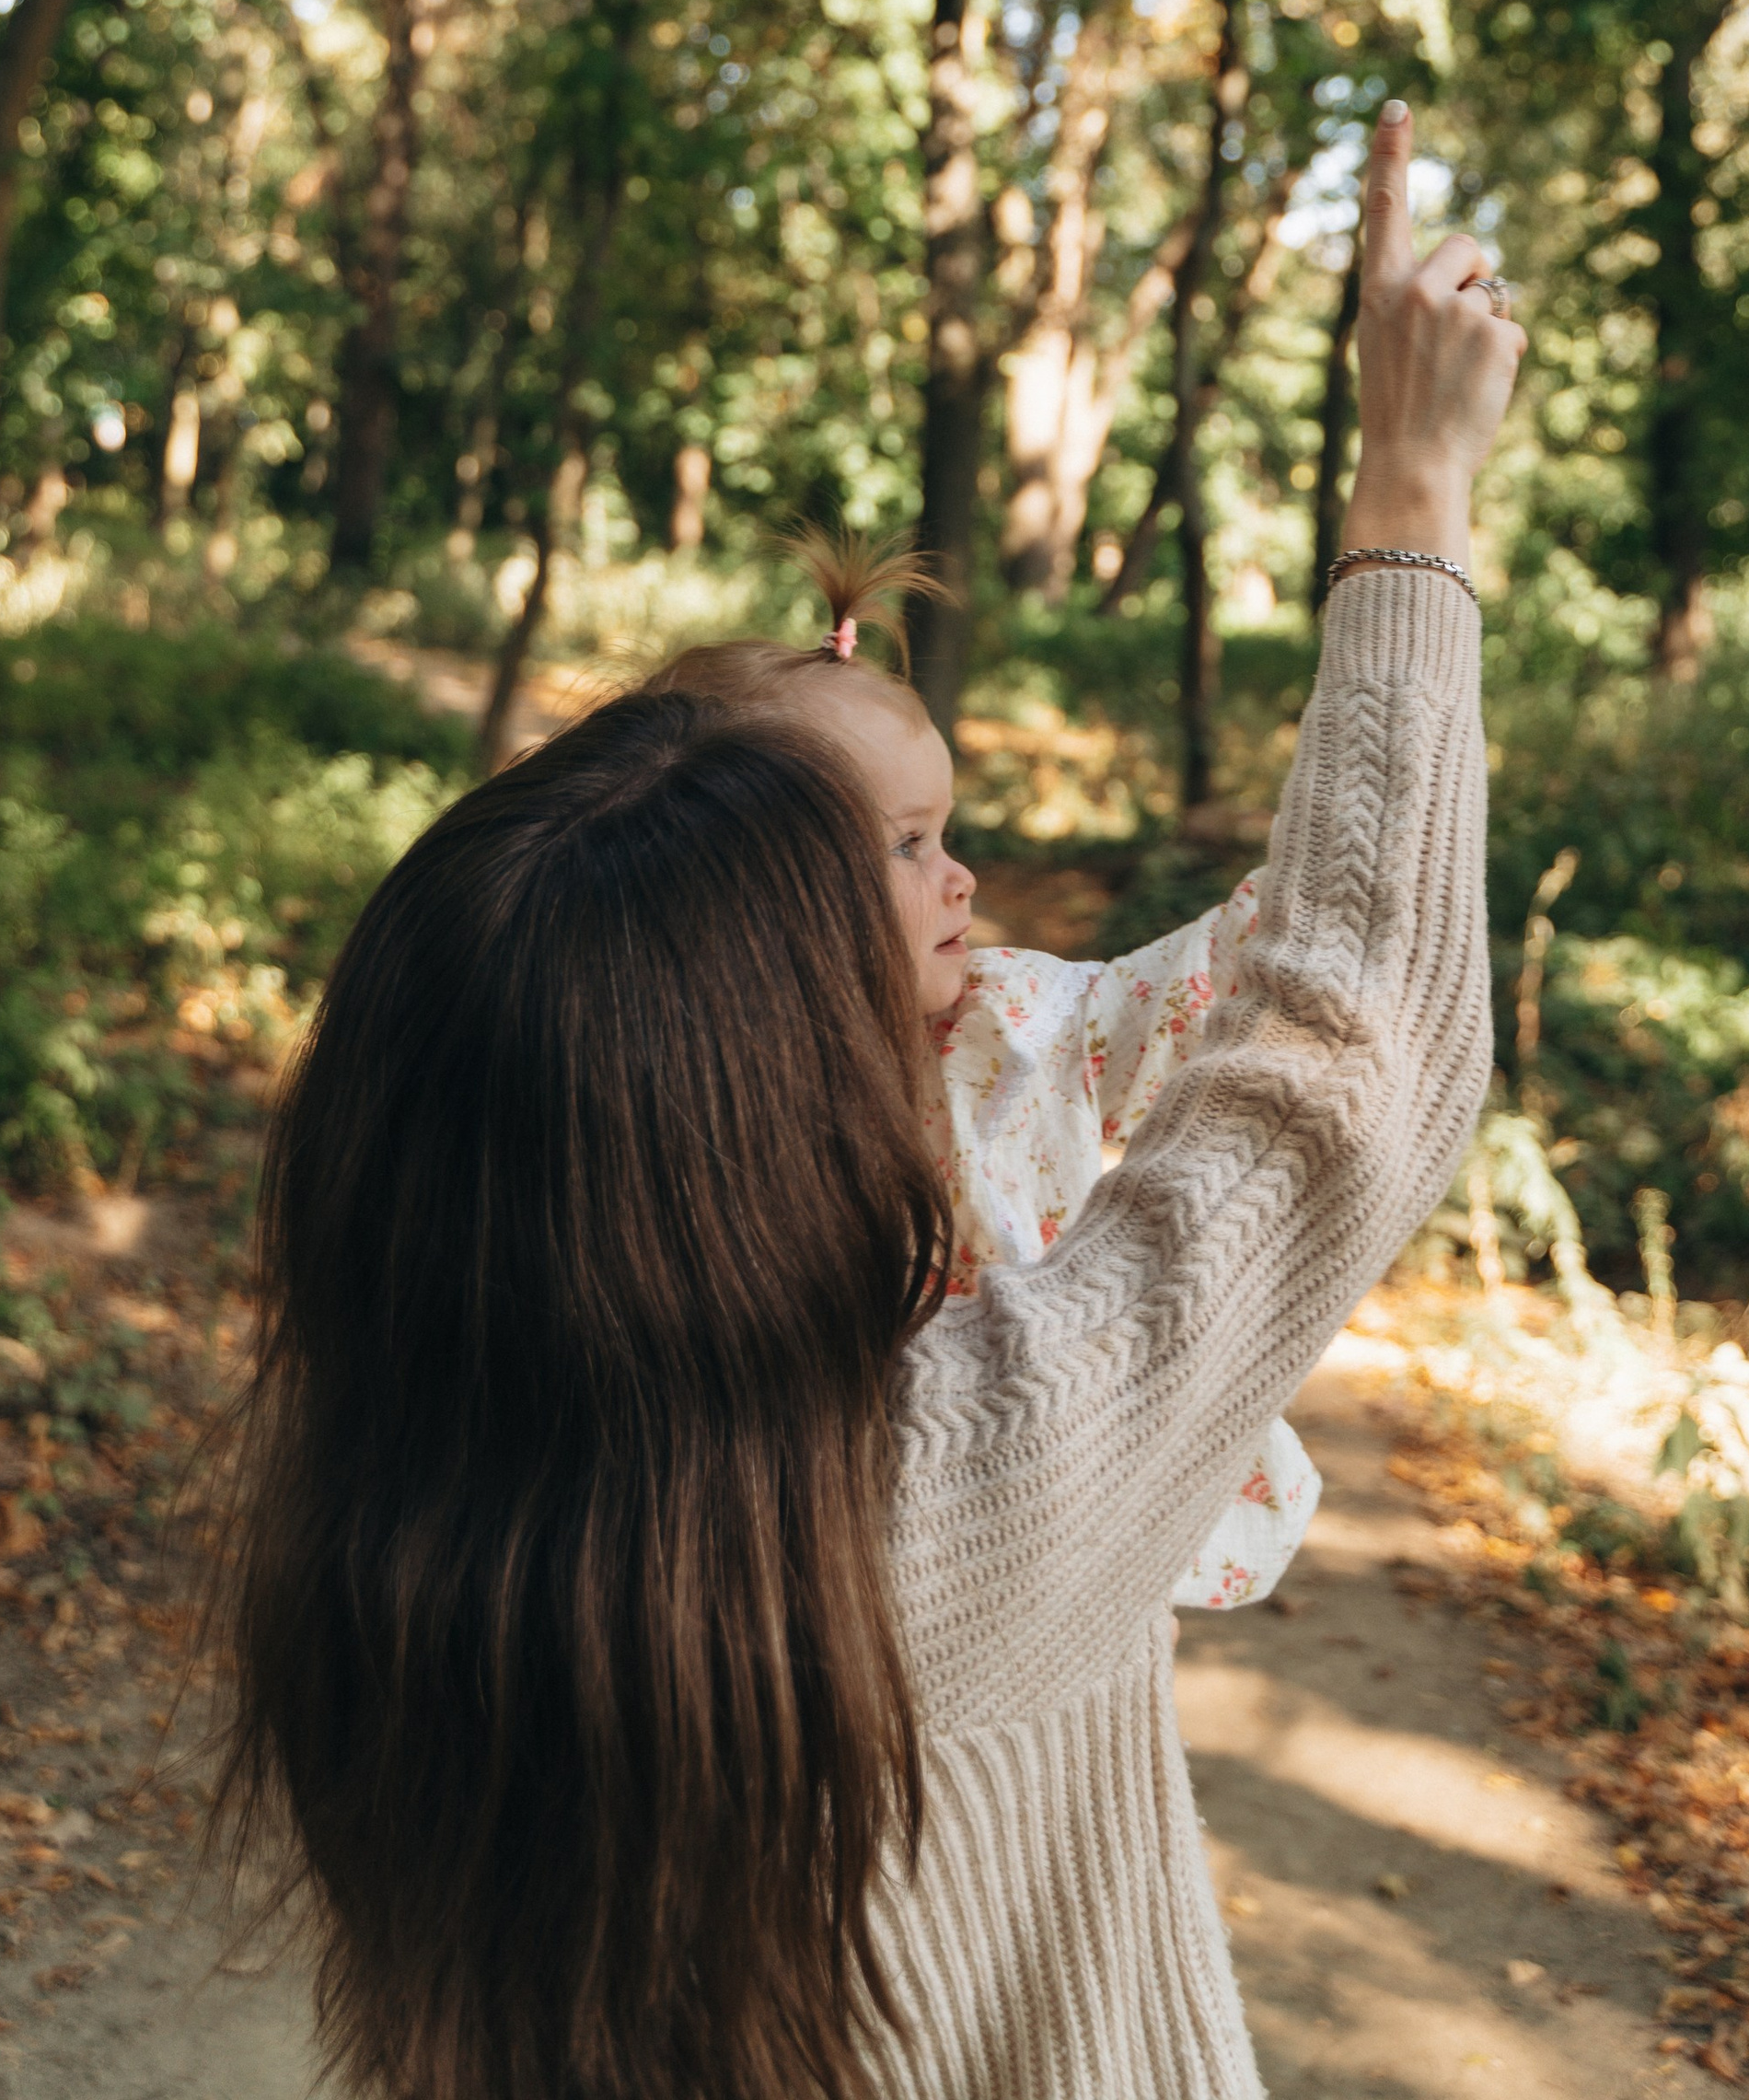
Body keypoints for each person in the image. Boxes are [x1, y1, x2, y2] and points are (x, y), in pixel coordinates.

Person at [210, 100, 1523, 2100]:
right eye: (882, 871)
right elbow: (1350, 1051)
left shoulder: (384, 1539)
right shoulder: (953, 1496)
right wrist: (1408, 487)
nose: (951, 906)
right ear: (774, 1067)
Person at [645, 536, 1319, 1612]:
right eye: (907, 844)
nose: (960, 877)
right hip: (794, 1546)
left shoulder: (1005, 1025)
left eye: (944, 832)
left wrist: (1323, 862)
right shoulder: (681, 1080)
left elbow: (1189, 990)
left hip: (1022, 1501)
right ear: (758, 886)